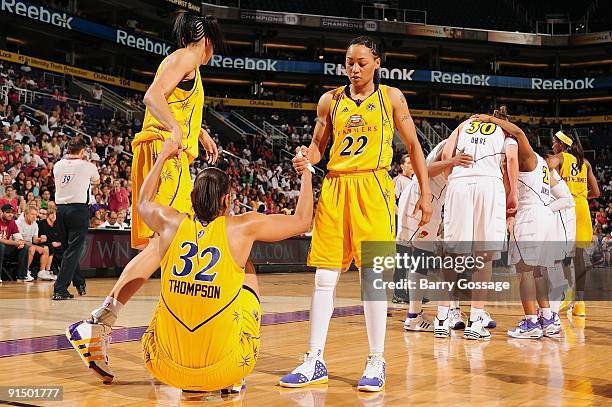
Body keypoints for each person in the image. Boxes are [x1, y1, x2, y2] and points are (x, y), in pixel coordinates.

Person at [67, 139, 314, 393]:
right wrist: (305, 171)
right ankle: (232, 379)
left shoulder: (169, 224)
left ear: (192, 196)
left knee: (167, 289)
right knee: (246, 268)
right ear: (227, 200)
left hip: (163, 368)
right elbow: (302, 221)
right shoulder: (243, 227)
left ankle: (105, 319)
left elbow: (141, 202)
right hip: (225, 369)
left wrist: (162, 156)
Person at [66, 11, 223, 382]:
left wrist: (197, 132)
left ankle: (125, 328)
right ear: (208, 40)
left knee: (169, 248)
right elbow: (152, 96)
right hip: (163, 156)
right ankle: (102, 322)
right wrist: (176, 131)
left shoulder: (188, 67)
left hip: (168, 154)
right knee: (167, 245)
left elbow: (174, 103)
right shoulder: (187, 56)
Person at [281, 36, 432, 392]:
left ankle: (377, 359)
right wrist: (306, 157)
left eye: (362, 62)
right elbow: (318, 148)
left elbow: (413, 145)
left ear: (377, 62)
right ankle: (314, 358)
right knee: (324, 277)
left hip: (374, 187)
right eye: (349, 62)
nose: (354, 68)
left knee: (373, 278)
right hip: (335, 187)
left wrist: (425, 194)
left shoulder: (391, 97)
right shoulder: (329, 100)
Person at [437, 106, 519, 340]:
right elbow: (511, 160)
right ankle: (475, 320)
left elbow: (446, 156)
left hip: (460, 183)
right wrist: (513, 191)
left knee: (453, 255)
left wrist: (451, 178)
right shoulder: (507, 134)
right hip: (488, 185)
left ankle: (441, 318)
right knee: (484, 256)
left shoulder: (464, 124)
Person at [397, 139, 473, 333]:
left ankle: (415, 314)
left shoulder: (457, 144)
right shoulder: (454, 145)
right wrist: (452, 161)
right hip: (421, 197)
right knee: (419, 258)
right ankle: (413, 316)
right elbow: (423, 170)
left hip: (431, 199)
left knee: (421, 258)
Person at [546, 131, 600, 317]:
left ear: (561, 144)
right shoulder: (585, 163)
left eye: (554, 143)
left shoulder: (560, 157)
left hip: (566, 207)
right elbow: (596, 192)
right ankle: (580, 303)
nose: (553, 146)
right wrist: (582, 196)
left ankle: (563, 292)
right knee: (579, 258)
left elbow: (544, 167)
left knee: (555, 253)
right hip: (583, 209)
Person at [53, 137, 100, 300]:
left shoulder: (57, 165)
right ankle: (60, 289)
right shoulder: (88, 166)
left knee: (68, 250)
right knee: (73, 251)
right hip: (78, 210)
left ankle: (79, 282)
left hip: (60, 210)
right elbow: (97, 181)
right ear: (82, 151)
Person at [16, 205, 49, 280]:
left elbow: (34, 240)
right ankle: (25, 271)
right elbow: (18, 239)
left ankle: (42, 271)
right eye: (32, 214)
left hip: (29, 244)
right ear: (26, 214)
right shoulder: (19, 223)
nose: (34, 217)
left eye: (35, 215)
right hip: (19, 245)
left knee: (46, 248)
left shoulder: (35, 224)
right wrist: (33, 245)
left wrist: (41, 239)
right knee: (32, 248)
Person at [0, 203, 29, 281]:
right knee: (1, 246)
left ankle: (21, 276)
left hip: (5, 248)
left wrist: (21, 243)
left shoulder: (12, 222)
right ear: (1, 212)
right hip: (1, 247)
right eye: (8, 212)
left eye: (12, 212)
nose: (10, 214)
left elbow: (18, 237)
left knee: (25, 248)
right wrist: (16, 243)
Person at [37, 208, 61, 281]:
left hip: (57, 245)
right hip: (44, 243)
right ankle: (47, 271)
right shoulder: (41, 223)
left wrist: (59, 243)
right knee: (50, 247)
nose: (54, 216)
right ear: (48, 215)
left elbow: (62, 237)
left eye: (55, 214)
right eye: (52, 214)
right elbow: (38, 236)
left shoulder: (58, 224)